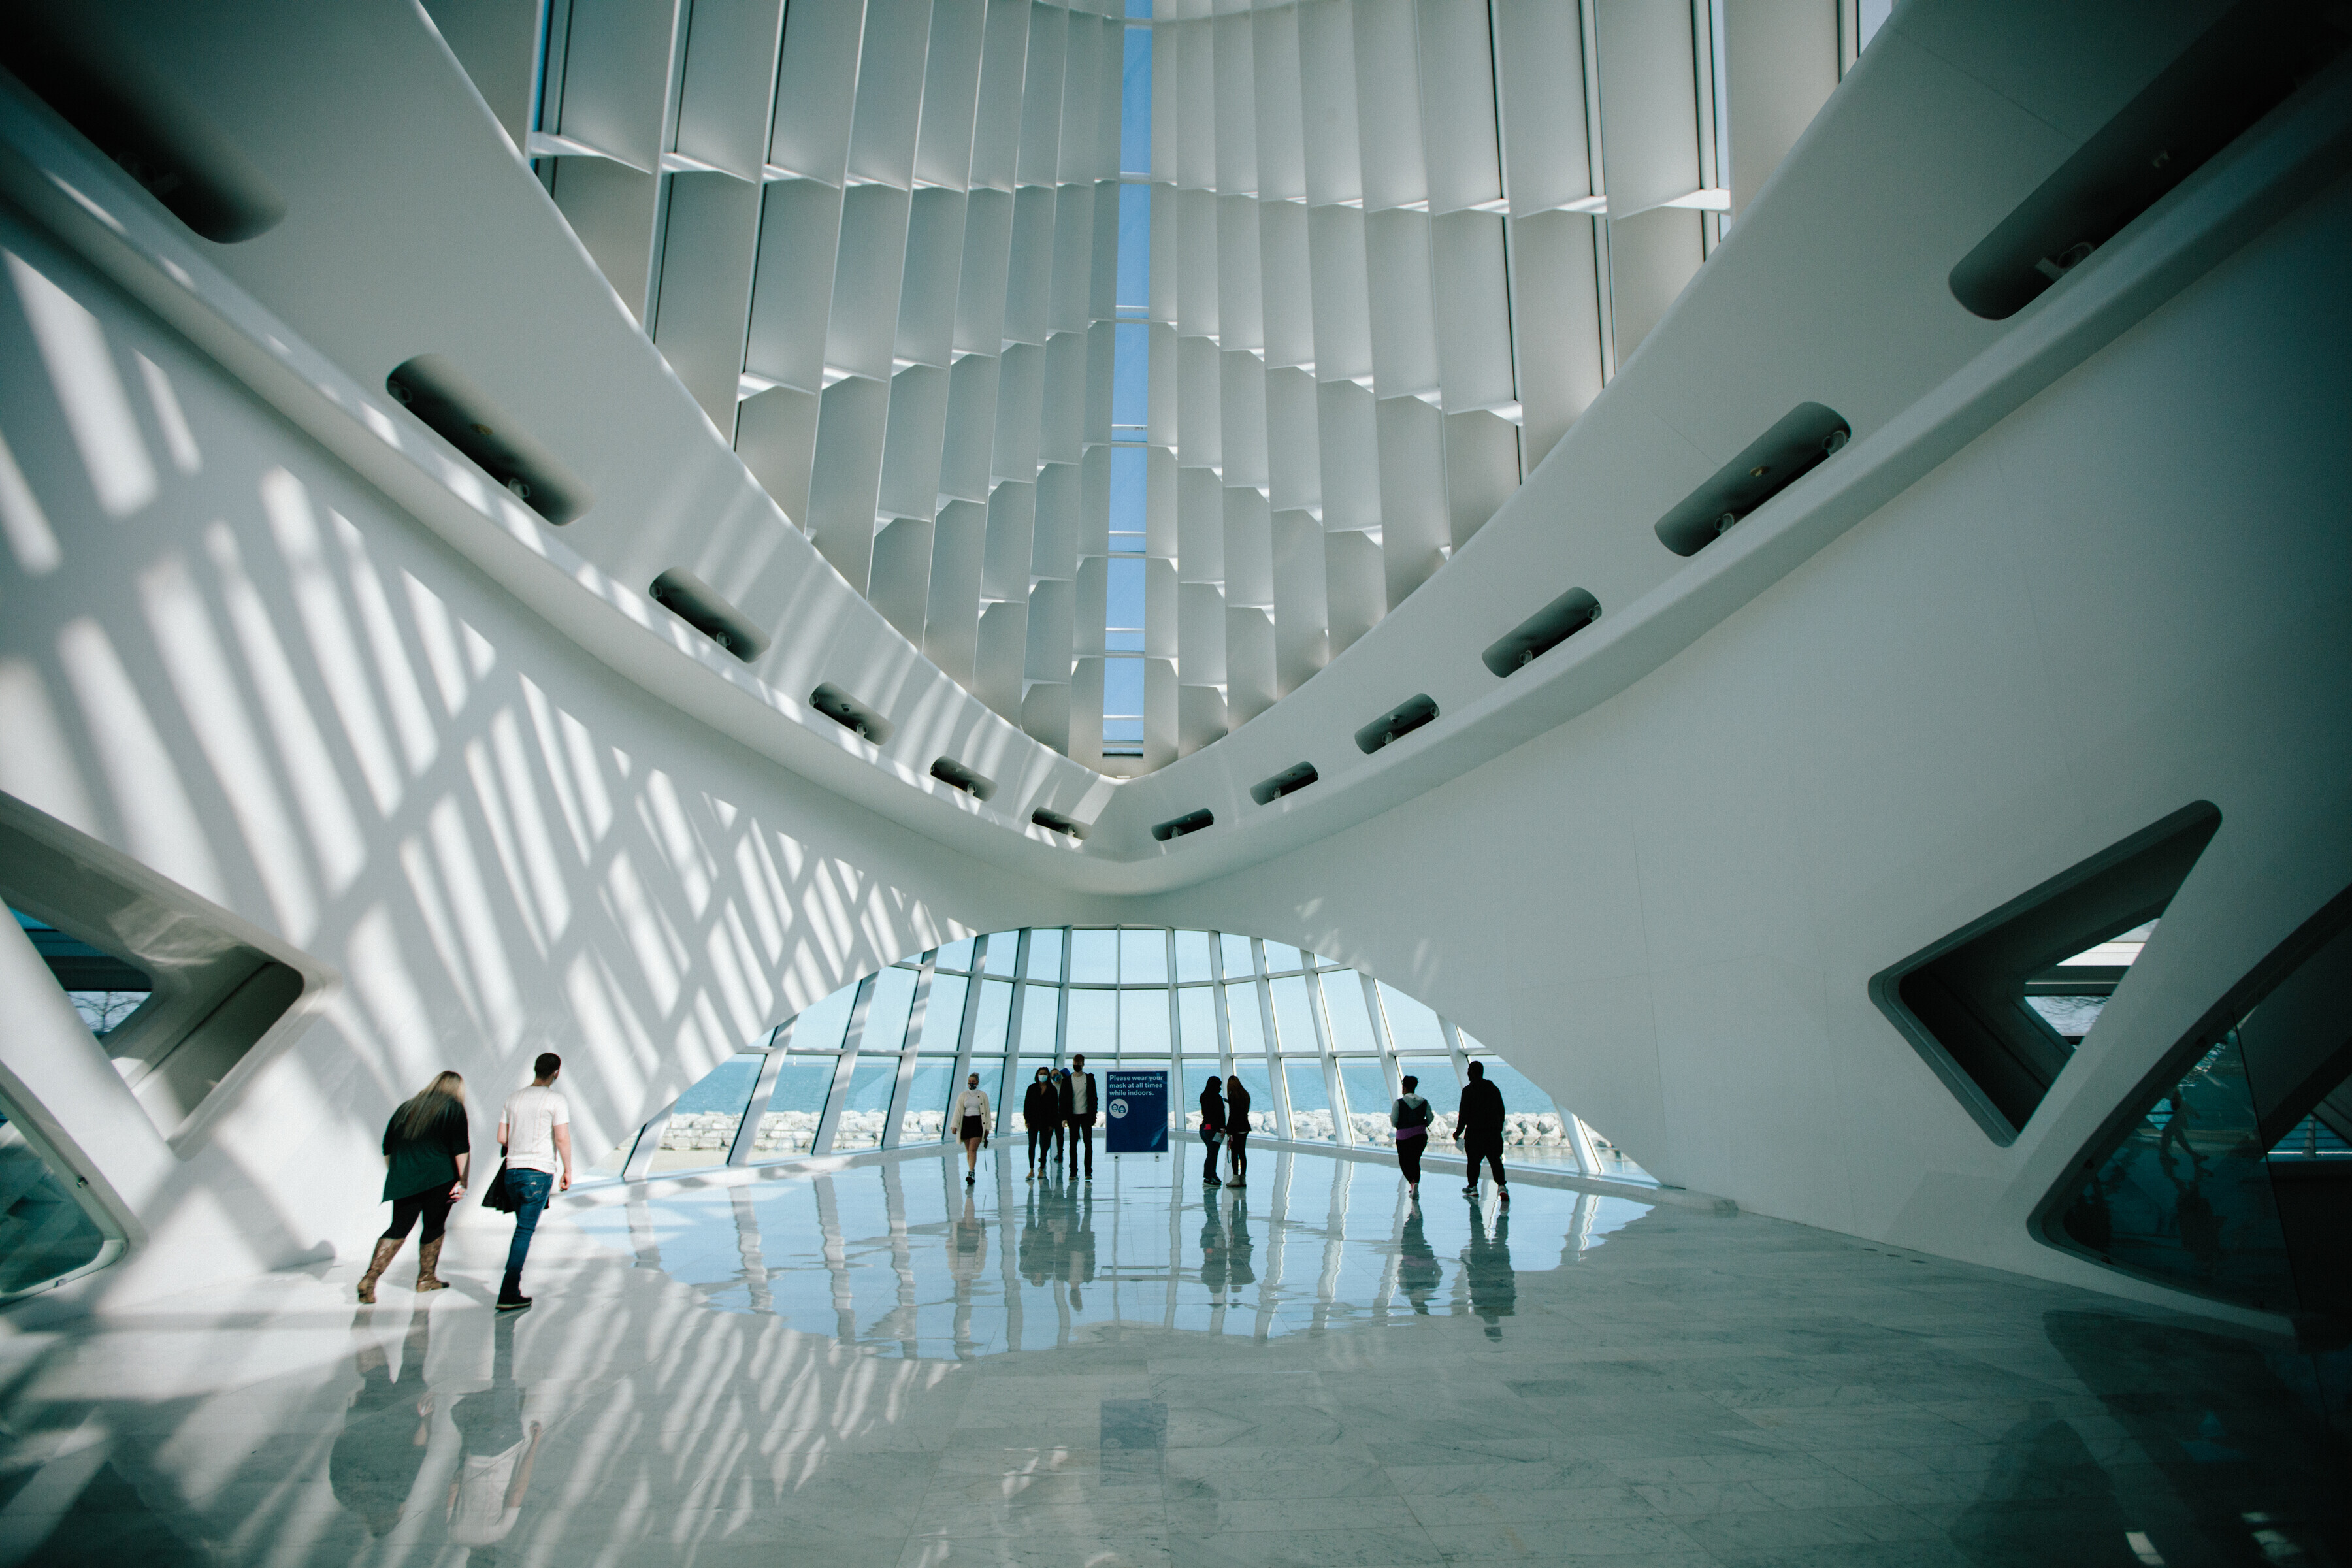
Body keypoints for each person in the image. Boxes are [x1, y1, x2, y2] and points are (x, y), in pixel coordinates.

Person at [358, 1071, 470, 1304]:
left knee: (398, 1227)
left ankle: (370, 1278)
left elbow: (387, 1147)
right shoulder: (453, 1108)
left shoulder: (407, 1108)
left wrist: (399, 1172)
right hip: (440, 1178)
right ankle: (426, 1279)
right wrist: (463, 1180)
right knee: (433, 1226)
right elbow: (461, 1148)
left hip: (405, 1178)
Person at [495, 1053, 572, 1311]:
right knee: (524, 1232)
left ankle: (511, 1289)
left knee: (522, 1229)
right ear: (556, 1073)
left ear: (535, 1069)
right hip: (538, 1173)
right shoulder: (556, 1100)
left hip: (512, 1172)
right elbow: (561, 1138)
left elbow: (502, 1138)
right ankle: (508, 1292)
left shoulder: (513, 1098)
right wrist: (568, 1170)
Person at [1455, 1060, 1507, 1202]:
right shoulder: (1493, 1088)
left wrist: (1458, 1132)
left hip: (1475, 1134)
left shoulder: (1468, 1091)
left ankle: (1473, 1187)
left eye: (1469, 1070)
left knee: (1473, 1162)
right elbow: (1501, 1111)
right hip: (1493, 1133)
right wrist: (1499, 1127)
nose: (1467, 1073)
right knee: (1496, 1161)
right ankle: (1502, 1186)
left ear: (1472, 1072)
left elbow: (1463, 1115)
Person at [1390, 1074, 1433, 1198]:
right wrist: (1424, 1123)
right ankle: (1415, 1184)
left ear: (1404, 1087)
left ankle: (1413, 1183)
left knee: (1404, 1162)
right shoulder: (1424, 1102)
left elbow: (1394, 1121)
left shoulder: (1399, 1103)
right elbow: (1431, 1117)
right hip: (1420, 1136)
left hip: (1404, 1137)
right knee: (1415, 1161)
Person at [1062, 1053, 1100, 1179]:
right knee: (1073, 1144)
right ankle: (1073, 1171)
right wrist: (1064, 1117)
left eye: (1078, 1063)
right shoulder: (1067, 1080)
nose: (1076, 1065)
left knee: (1088, 1144)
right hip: (1073, 1116)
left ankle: (1088, 1171)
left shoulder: (1089, 1079)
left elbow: (1094, 1098)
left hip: (1086, 1116)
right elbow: (1063, 1100)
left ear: (1083, 1064)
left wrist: (1093, 1115)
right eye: (1074, 1063)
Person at [1022, 1066, 1060, 1179]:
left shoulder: (1052, 1090)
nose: (1042, 1075)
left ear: (1048, 1076)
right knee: (1032, 1145)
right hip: (1033, 1121)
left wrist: (1052, 1124)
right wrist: (1027, 1120)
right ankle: (1031, 1169)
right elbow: (1027, 1105)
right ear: (1037, 1075)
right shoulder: (1032, 1088)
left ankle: (1042, 1168)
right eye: (1040, 1073)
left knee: (1044, 1146)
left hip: (1046, 1122)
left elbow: (1054, 1108)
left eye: (1044, 1073)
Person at [954, 1072, 991, 1184]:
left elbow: (987, 1112)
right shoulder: (963, 1096)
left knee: (972, 1149)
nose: (971, 1084)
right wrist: (954, 1126)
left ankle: (970, 1172)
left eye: (973, 1082)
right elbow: (958, 1111)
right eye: (969, 1082)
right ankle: (972, 1169)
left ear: (978, 1083)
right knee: (968, 1151)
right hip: (966, 1123)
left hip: (977, 1124)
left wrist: (988, 1128)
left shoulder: (983, 1095)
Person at [1224, 1074, 1251, 1187]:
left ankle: (1235, 1178)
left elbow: (1232, 1114)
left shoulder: (1232, 1095)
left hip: (1236, 1127)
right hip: (1245, 1126)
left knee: (1235, 1152)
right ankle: (1243, 1177)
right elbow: (1243, 1110)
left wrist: (1228, 1129)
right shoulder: (1245, 1095)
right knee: (1242, 1152)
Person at [1198, 1075, 1226, 1187]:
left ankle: (1212, 1175)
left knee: (1211, 1153)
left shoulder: (1203, 1096)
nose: (1220, 1088)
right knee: (1213, 1154)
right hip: (1214, 1129)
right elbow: (1220, 1115)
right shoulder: (1217, 1098)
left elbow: (1207, 1112)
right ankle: (1209, 1177)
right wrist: (1222, 1128)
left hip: (1204, 1128)